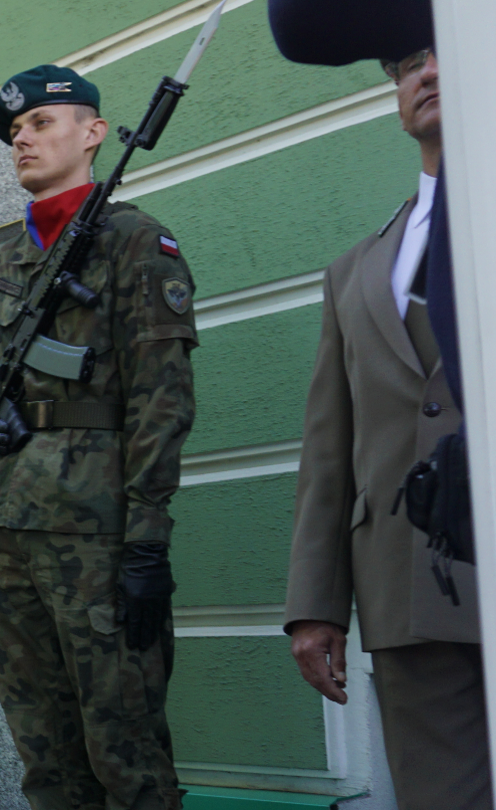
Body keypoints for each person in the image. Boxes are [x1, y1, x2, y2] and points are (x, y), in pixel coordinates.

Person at [0, 65, 197, 810]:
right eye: (14, 132)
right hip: (5, 535)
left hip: (98, 537)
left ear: (94, 132)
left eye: (41, 123)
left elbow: (162, 406)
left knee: (125, 754)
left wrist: (147, 544)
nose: (22, 140)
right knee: (45, 758)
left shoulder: (136, 244)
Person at [284, 48, 489, 809]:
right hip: (407, 584)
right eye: (407, 66)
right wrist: (315, 605)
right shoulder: (355, 271)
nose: (426, 75)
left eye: (448, 54)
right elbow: (329, 449)